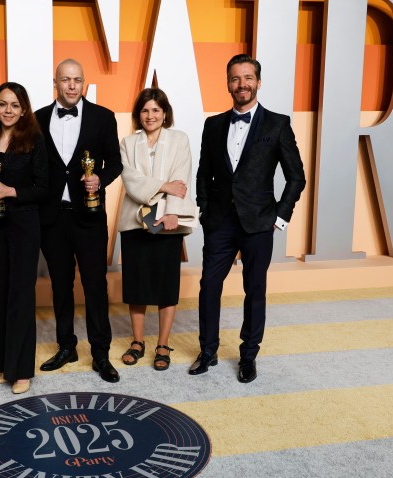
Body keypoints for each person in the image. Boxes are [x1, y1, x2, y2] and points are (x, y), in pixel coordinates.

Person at [190, 54, 306, 383]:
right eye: (235, 79)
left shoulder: (277, 123)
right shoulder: (212, 125)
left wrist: (279, 218)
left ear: (257, 81)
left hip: (259, 222)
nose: (242, 84)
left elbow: (296, 177)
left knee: (255, 289)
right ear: (228, 83)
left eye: (248, 78)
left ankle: (248, 354)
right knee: (208, 286)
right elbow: (204, 172)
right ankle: (208, 351)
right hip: (220, 222)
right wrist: (203, 207)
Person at [34, 59, 123, 383]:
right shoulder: (38, 119)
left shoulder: (103, 117)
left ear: (83, 83)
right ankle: (66, 346)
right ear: (55, 82)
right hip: (52, 218)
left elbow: (115, 162)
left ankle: (101, 353)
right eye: (66, 80)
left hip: (89, 217)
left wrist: (99, 178)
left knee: (95, 286)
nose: (72, 85)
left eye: (77, 79)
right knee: (60, 286)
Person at [117, 88, 197, 371]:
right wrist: (162, 186)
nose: (150, 115)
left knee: (166, 285)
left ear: (165, 113)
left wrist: (173, 211)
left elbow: (181, 176)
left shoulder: (179, 139)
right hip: (134, 220)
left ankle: (163, 344)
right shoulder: (127, 142)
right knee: (136, 285)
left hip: (169, 221)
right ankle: (138, 341)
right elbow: (129, 177)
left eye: (156, 110)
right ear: (138, 114)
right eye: (145, 110)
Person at [0, 82, 48, 394]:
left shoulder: (34, 140)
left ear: (24, 109)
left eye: (15, 105)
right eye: (3, 104)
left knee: (20, 296)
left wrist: (10, 192)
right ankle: (2, 363)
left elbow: (44, 187)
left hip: (24, 226)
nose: (8, 110)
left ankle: (21, 371)